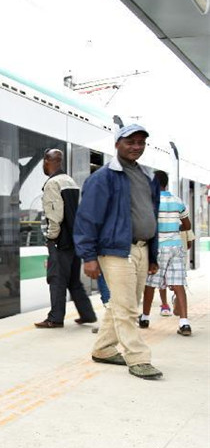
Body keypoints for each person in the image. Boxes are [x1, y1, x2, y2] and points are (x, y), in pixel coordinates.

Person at [74, 124, 162, 380]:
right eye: (130, 142)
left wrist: (152, 256)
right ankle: (138, 358)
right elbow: (87, 219)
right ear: (117, 144)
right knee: (127, 309)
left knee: (122, 305)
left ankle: (102, 348)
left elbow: (149, 215)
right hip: (115, 251)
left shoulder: (147, 176)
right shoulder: (103, 178)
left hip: (142, 248)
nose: (136, 147)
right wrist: (88, 257)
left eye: (140, 143)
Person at [35, 149, 97, 328]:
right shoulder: (70, 181)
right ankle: (87, 314)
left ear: (47, 161)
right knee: (73, 280)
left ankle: (55, 318)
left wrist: (51, 237)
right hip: (74, 239)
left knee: (56, 279)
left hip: (60, 241)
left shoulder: (52, 183)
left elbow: (55, 215)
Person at [140, 170, 192, 336]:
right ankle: (184, 323)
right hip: (176, 247)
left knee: (150, 283)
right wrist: (175, 228)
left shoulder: (151, 201)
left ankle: (145, 317)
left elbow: (146, 225)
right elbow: (187, 224)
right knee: (178, 284)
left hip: (158, 247)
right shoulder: (177, 201)